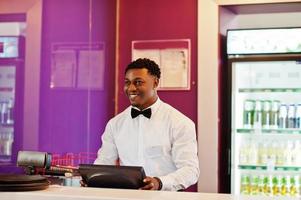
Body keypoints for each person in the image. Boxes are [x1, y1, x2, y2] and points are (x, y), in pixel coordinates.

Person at [94, 58, 199, 191]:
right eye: (127, 83)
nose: (131, 88)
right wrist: (93, 179)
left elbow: (190, 170)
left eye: (138, 82)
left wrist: (159, 182)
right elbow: (104, 163)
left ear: (155, 83)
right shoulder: (115, 124)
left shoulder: (180, 123)